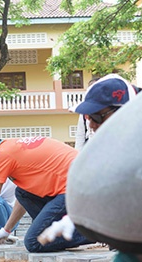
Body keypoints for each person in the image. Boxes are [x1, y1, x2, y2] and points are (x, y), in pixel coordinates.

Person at [38, 75, 139, 254]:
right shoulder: (115, 134)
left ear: (122, 111)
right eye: (87, 117)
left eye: (96, 117)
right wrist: (73, 217)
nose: (90, 124)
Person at [0, 131, 94, 255]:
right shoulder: (10, 147)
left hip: (75, 187)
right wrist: (6, 230)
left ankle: (99, 232)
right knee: (22, 192)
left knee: (33, 242)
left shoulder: (0, 156)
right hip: (79, 183)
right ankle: (62, 233)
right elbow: (25, 195)